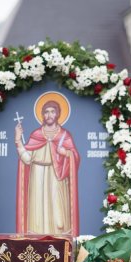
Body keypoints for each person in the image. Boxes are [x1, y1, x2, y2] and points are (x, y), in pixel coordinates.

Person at [15, 99, 80, 235]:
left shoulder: (64, 135)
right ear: (42, 115)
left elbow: (75, 157)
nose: (49, 115)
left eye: (52, 111)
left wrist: (66, 153)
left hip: (57, 177)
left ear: (58, 114)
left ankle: (60, 242)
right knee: (38, 211)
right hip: (37, 176)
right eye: (46, 112)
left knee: (59, 213)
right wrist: (18, 140)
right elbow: (27, 159)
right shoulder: (36, 135)